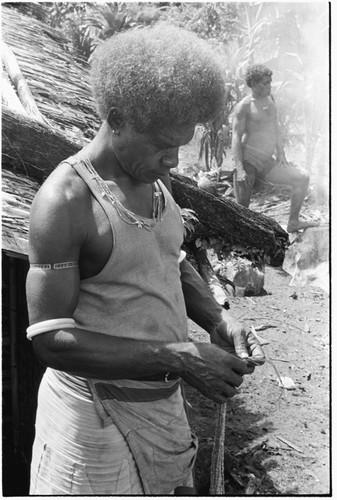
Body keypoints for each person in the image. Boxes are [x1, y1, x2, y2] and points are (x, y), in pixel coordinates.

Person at [26, 24, 265, 496]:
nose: (173, 160)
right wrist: (176, 356)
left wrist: (218, 319)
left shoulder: (156, 181)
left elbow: (168, 258)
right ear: (117, 117)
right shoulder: (66, 201)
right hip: (93, 421)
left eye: (180, 145)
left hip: (161, 408)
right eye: (161, 144)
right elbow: (50, 339)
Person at [232, 64, 318, 233]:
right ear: (254, 84)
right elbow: (235, 137)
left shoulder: (269, 100)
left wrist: (281, 152)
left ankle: (293, 222)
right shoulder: (245, 106)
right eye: (265, 83)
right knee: (242, 212)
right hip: (249, 161)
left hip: (267, 161)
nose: (269, 86)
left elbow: (275, 127)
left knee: (301, 177)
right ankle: (239, 241)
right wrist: (240, 168)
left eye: (270, 82)